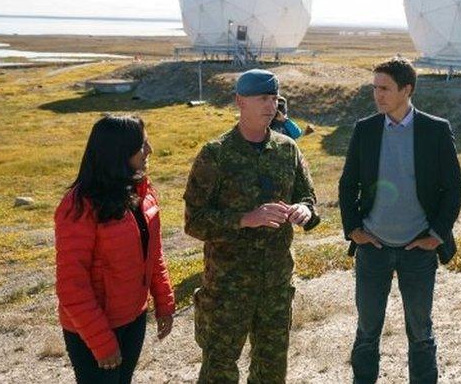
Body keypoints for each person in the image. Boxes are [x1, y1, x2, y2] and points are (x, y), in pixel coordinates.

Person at [184, 68, 321, 383]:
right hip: (227, 287)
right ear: (239, 102)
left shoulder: (288, 150)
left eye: (274, 98)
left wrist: (303, 210)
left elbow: (309, 200)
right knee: (219, 369)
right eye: (262, 98)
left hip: (275, 283)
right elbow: (194, 221)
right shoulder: (215, 155)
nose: (270, 105)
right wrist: (244, 219)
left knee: (271, 371)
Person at [338, 56, 461, 384]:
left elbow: (453, 188)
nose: (377, 95)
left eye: (385, 89)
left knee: (420, 332)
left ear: (407, 89)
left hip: (418, 249)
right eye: (374, 88)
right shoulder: (365, 129)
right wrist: (353, 230)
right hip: (372, 247)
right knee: (367, 330)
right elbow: (348, 183)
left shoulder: (436, 130)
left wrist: (436, 234)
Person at [54, 115, 175, 384]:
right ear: (118, 151)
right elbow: (72, 285)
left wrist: (164, 302)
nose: (150, 151)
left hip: (134, 319)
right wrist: (101, 341)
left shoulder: (142, 193)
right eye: (142, 145)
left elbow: (153, 254)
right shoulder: (80, 207)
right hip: (93, 329)